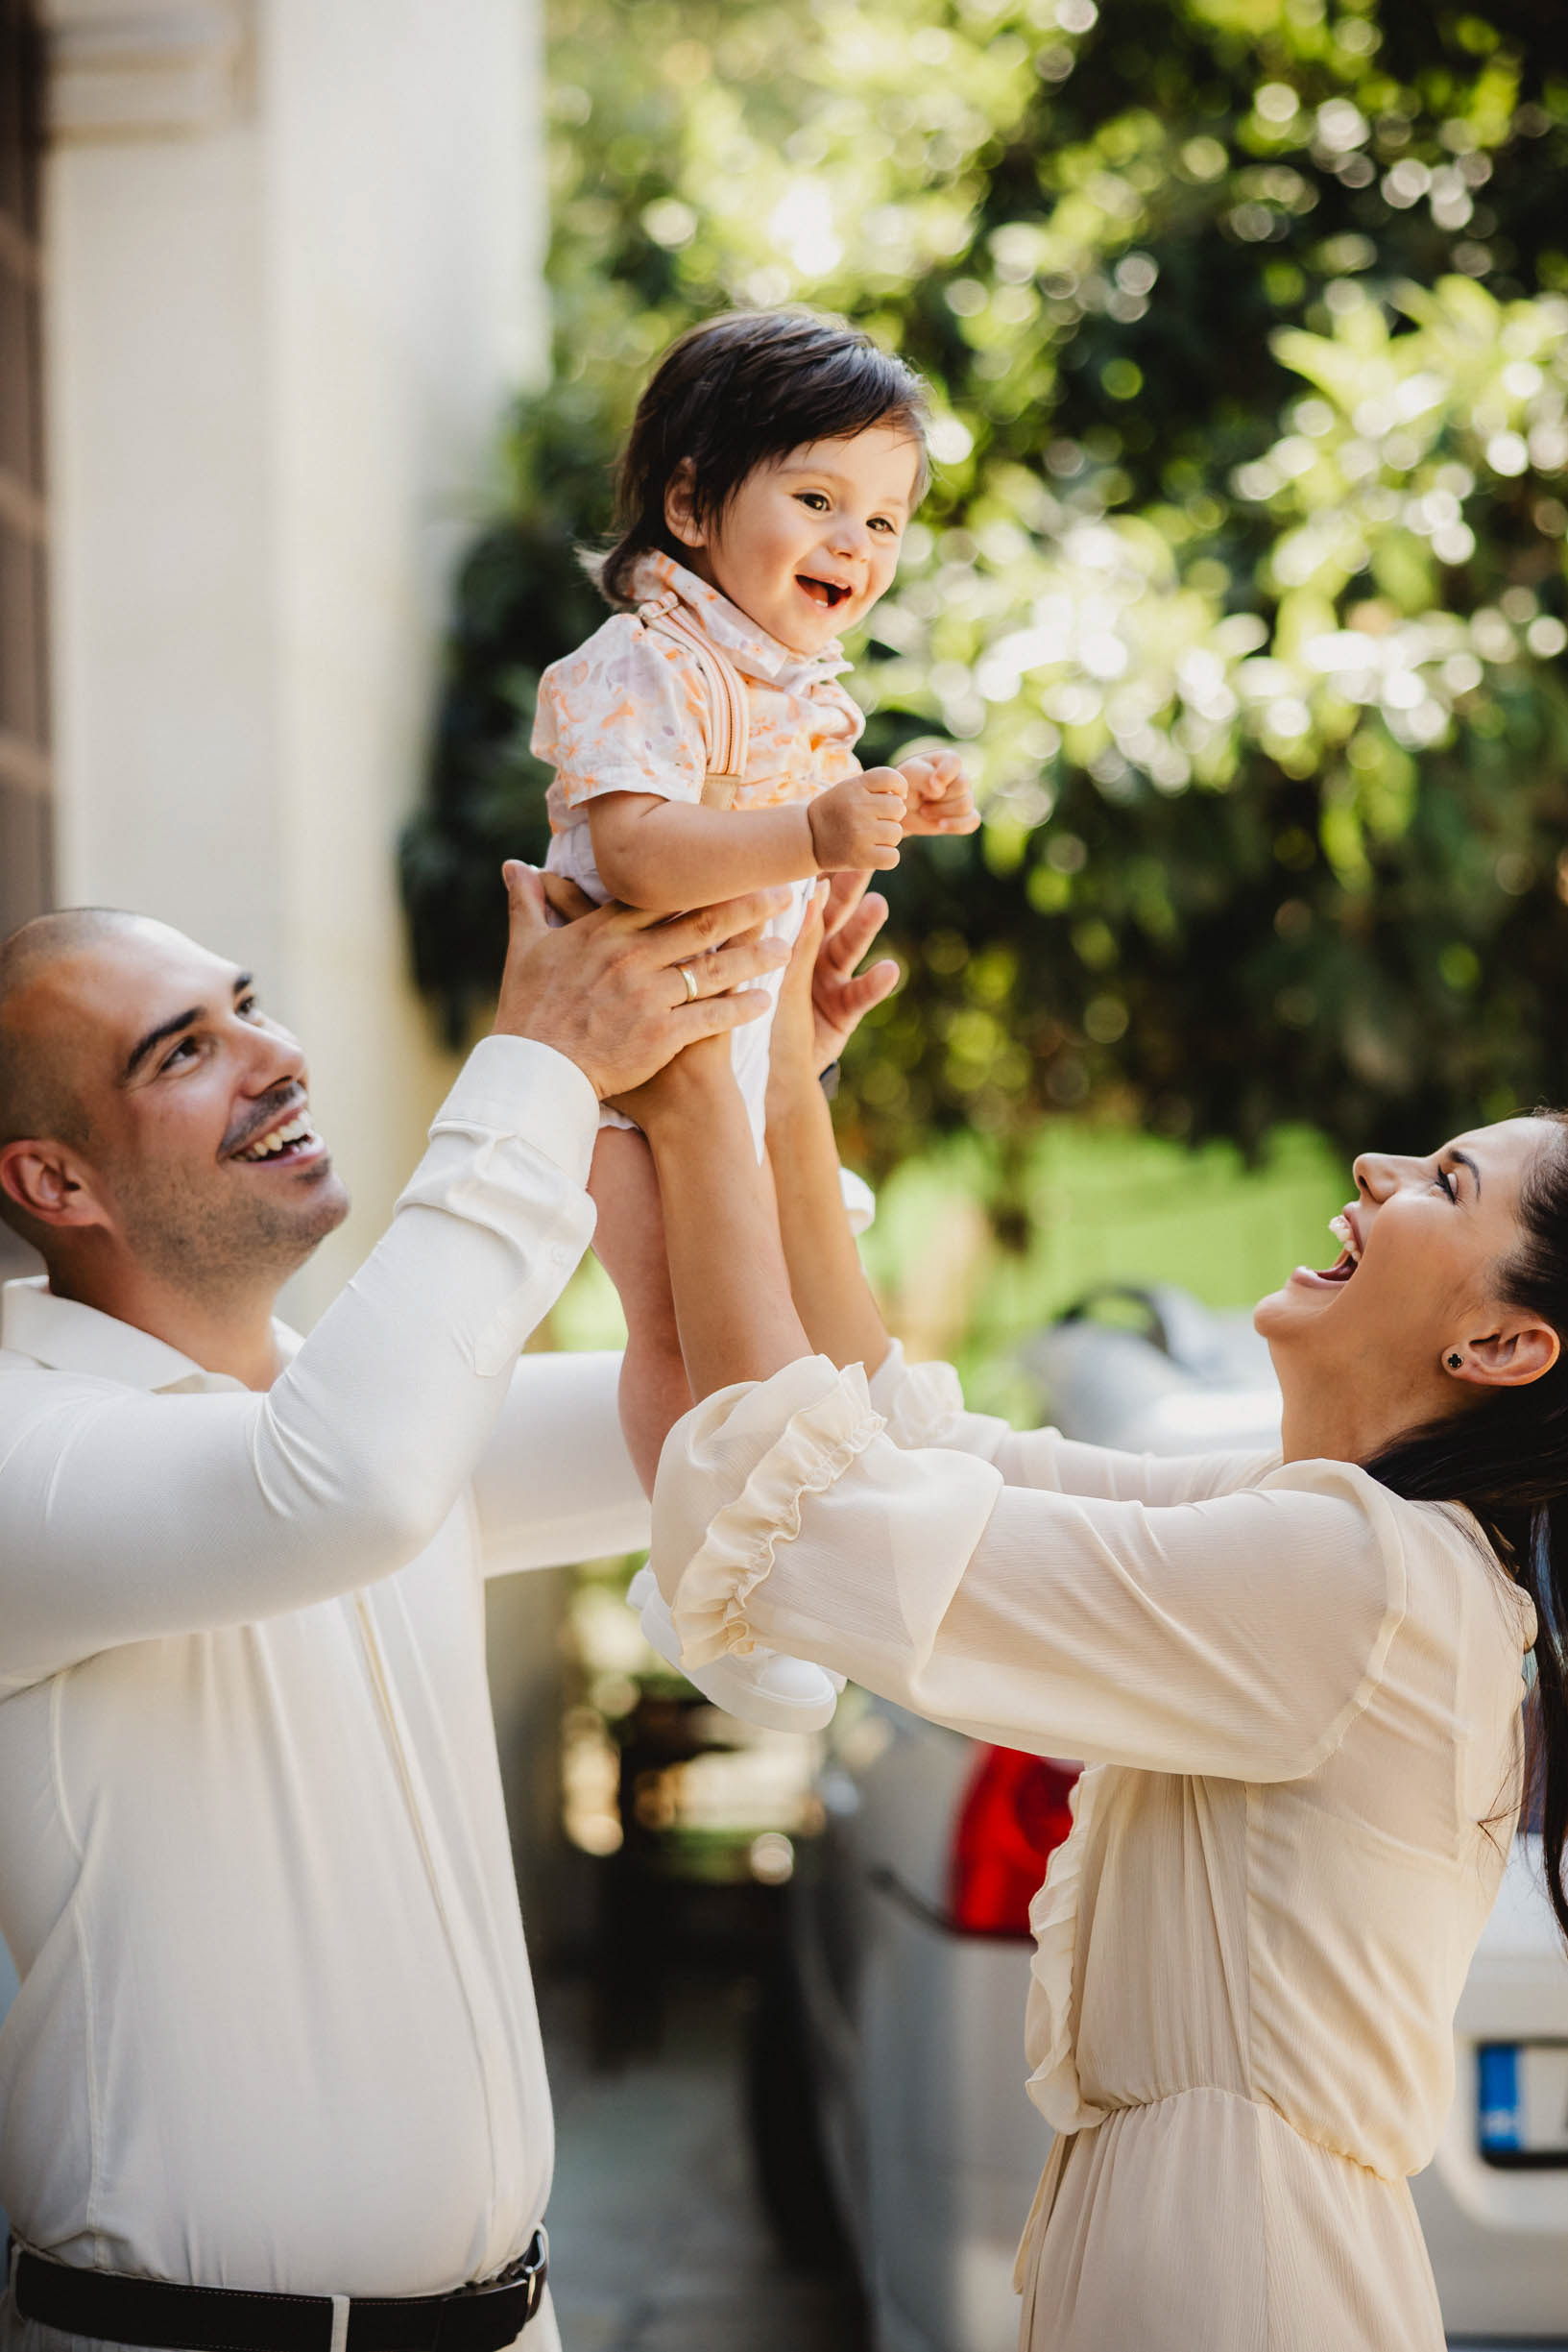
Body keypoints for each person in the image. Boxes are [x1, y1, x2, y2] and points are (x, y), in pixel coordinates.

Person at [527, 876, 1565, 2352]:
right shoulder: (1340, 1538)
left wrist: (696, 1104)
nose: (1377, 1164)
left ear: (1504, 1342)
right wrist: (781, 1091)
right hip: (1209, 2246)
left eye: (1447, 1184)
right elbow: (927, 1457)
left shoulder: (1360, 1581)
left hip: (1237, 2280)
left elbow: (823, 1517)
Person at [0, 870, 825, 2352]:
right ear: (56, 1183)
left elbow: (746, 1427)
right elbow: (345, 1486)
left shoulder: (352, 1418)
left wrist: (748, 1086)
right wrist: (538, 1067)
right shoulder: (31, 1446)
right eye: (183, 1050)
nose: (275, 1055)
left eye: (248, 1006)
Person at [532, 306, 978, 1731]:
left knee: (783, 1309)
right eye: (818, 498)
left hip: (743, 1045)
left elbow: (806, 840)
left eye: (883, 520)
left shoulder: (798, 692)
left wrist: (892, 805)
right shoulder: (638, 664)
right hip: (638, 1063)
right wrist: (809, 832)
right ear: (688, 503)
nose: (856, 542)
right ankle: (699, 1577)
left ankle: (806, 1540)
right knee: (675, 1325)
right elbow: (638, 852)